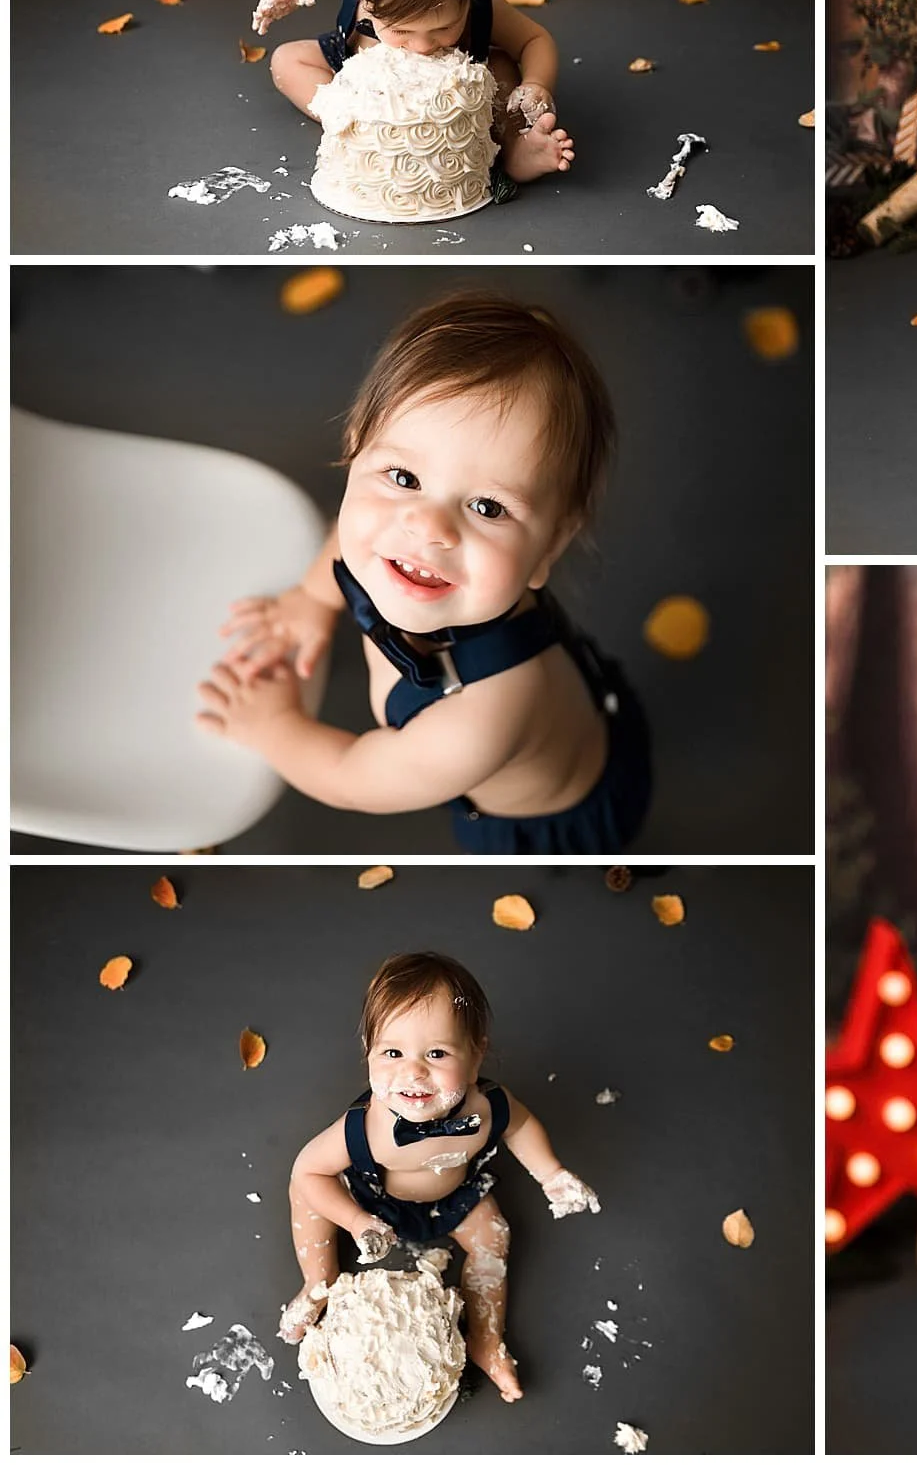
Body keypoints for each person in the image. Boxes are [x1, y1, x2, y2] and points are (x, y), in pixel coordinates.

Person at [195, 290, 651, 852]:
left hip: (555, 812)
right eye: (404, 478)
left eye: (487, 507)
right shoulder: (398, 541)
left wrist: (275, 726)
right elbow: (347, 536)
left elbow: (352, 776)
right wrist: (313, 599)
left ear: (549, 547)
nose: (427, 527)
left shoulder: (484, 718)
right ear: (356, 450)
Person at [278, 951, 600, 1402]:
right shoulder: (366, 1129)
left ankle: (485, 1339)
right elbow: (308, 1170)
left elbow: (522, 1126)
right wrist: (355, 1221)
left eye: (437, 1053)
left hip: (454, 1198)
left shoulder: (488, 1108)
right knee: (306, 1195)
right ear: (368, 1051)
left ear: (476, 1055)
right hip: (374, 1202)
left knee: (494, 1238)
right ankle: (318, 1282)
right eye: (392, 1052)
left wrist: (552, 1174)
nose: (413, 1071)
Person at [253, 0, 575, 182]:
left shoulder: (480, 1)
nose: (421, 46)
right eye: (400, 29)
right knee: (286, 61)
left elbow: (535, 40)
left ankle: (515, 148)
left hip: (456, 97)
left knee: (503, 68)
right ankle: (351, 123)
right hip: (361, 79)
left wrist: (537, 84)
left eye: (443, 27)